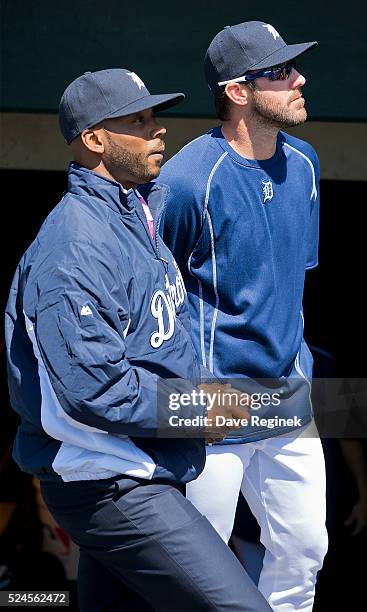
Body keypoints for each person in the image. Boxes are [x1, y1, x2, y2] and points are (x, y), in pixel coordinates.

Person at [4, 68, 272, 611]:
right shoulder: (74, 244)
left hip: (142, 466)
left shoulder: (134, 212)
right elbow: (93, 390)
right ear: (95, 139)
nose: (159, 132)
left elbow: (158, 340)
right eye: (139, 120)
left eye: (155, 117)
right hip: (108, 481)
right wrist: (195, 412)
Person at [158, 21, 328, 611]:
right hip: (209, 398)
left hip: (285, 391)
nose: (299, 78)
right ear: (237, 91)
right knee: (198, 567)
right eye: (281, 72)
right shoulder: (184, 181)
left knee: (306, 549)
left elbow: (290, 281)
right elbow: (155, 298)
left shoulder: (304, 165)